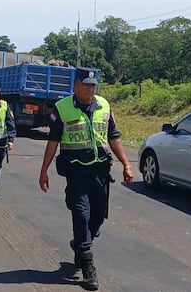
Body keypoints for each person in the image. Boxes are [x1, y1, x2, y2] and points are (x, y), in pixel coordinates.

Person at [38, 68, 134, 290]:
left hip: (100, 171)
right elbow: (52, 142)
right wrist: (43, 171)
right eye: (86, 84)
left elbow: (113, 137)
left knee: (98, 216)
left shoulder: (104, 105)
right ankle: (88, 264)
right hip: (76, 171)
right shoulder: (62, 108)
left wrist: (127, 165)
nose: (91, 89)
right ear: (76, 85)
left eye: (94, 85)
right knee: (81, 213)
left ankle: (80, 244)